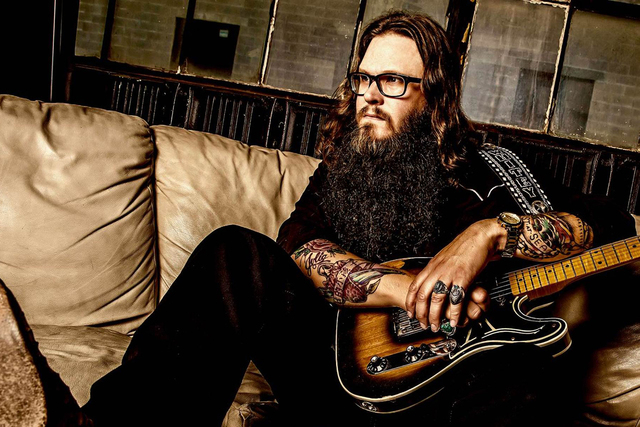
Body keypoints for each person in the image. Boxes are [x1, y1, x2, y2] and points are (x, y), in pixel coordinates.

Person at [1, 10, 635, 427]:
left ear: (435, 97)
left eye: (393, 82)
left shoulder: (493, 171)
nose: (369, 96)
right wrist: (404, 290)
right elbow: (300, 245)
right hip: (334, 375)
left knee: (523, 386)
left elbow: (609, 226)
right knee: (237, 252)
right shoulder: (347, 166)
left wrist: (488, 235)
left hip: (450, 395)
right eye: (362, 79)